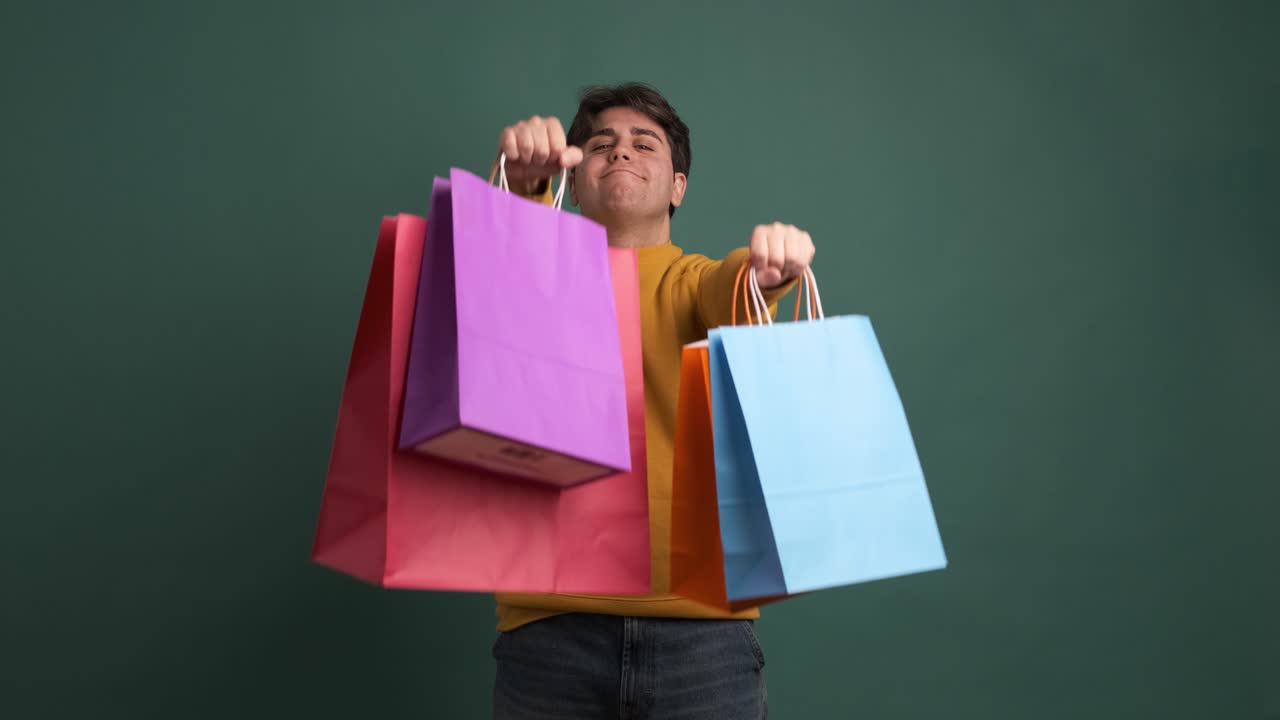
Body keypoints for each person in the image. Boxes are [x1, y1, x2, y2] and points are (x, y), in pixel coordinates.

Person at [489, 83, 816, 720]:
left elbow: (735, 284)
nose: (620, 153)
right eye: (600, 144)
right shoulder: (535, 282)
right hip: (549, 633)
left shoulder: (696, 282)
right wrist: (523, 187)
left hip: (704, 641)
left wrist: (768, 270)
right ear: (575, 179)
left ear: (678, 187)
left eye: (645, 144)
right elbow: (494, 276)